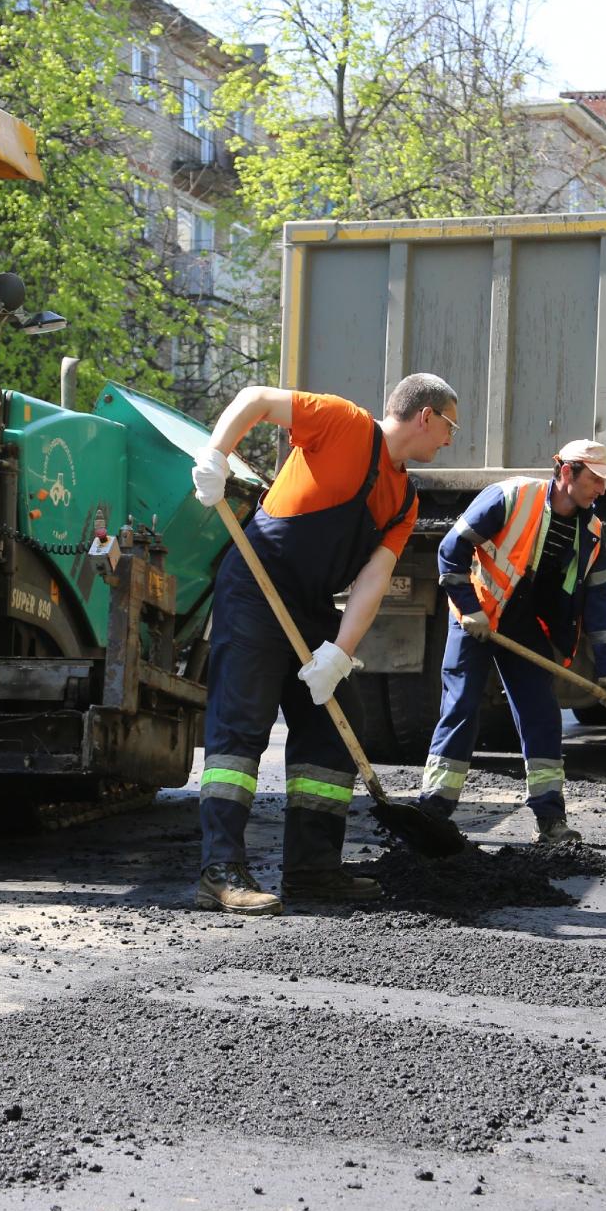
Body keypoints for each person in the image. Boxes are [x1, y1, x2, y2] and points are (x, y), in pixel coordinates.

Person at [188, 374, 458, 915]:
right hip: (256, 585)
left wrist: (339, 651)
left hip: (311, 606)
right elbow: (255, 399)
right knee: (241, 724)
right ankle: (220, 871)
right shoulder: (342, 421)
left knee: (335, 725)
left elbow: (373, 579)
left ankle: (312, 870)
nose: (451, 439)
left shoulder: (404, 499)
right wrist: (216, 455)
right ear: (425, 416)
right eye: (450, 426)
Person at [415, 440, 606, 845]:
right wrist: (469, 609)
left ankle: (551, 819)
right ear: (567, 472)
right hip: (478, 613)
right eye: (596, 480)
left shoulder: (593, 534)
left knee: (541, 712)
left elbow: (601, 606)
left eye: (604, 482)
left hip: (525, 623)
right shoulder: (510, 497)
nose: (601, 490)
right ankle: (433, 811)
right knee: (461, 706)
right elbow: (450, 549)